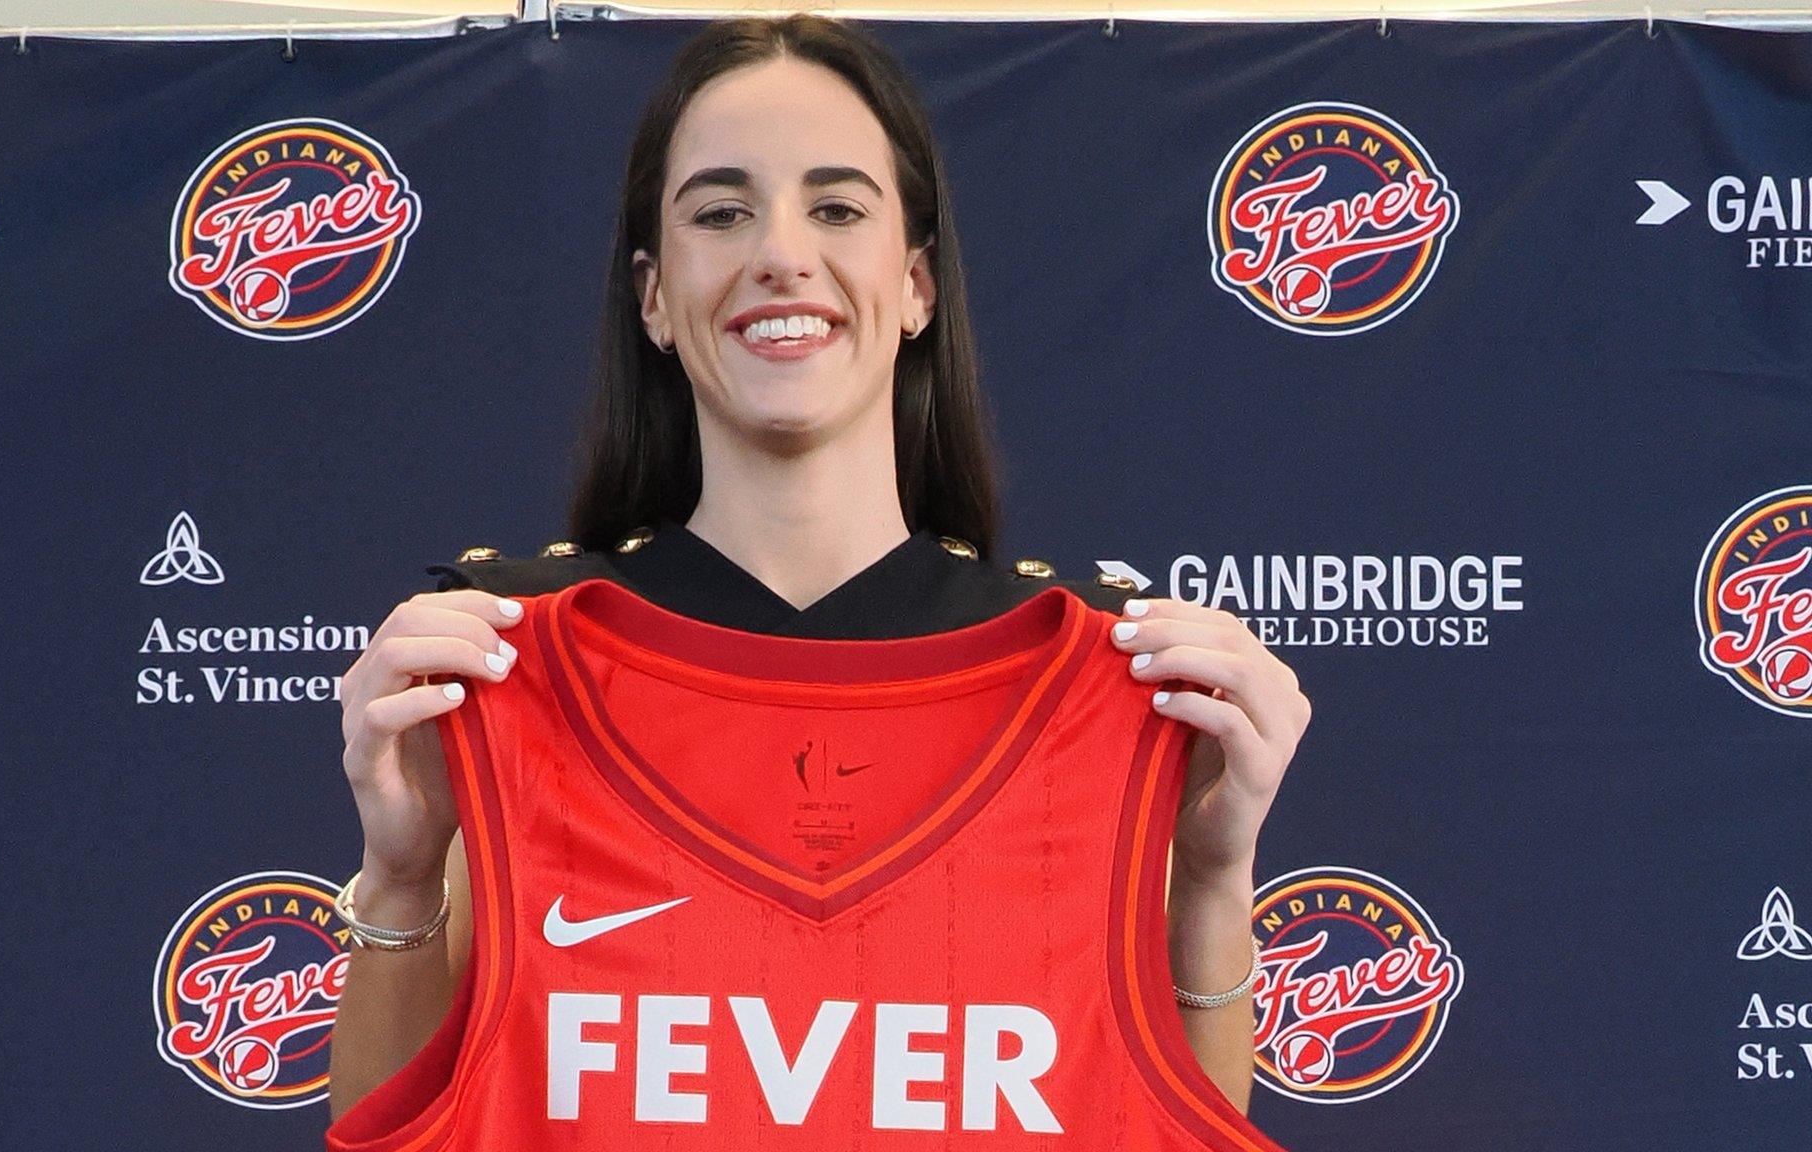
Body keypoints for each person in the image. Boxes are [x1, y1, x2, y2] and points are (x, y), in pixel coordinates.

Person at [328, 12, 1310, 1136]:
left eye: (836, 208)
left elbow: (1167, 1122)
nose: (781, 253)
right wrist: (398, 878)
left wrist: (1208, 878)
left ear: (916, 286)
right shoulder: (506, 665)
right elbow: (400, 1125)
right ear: (651, 295)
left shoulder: (1115, 684)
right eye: (721, 212)